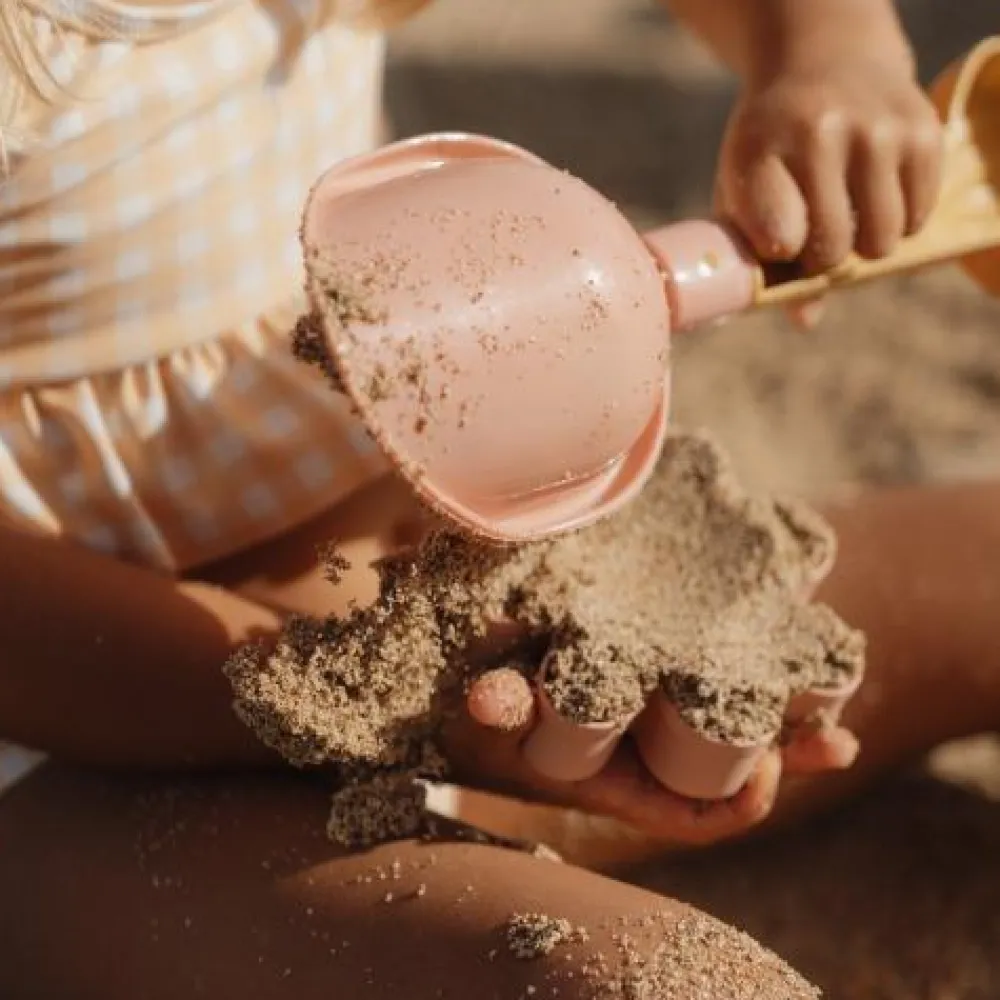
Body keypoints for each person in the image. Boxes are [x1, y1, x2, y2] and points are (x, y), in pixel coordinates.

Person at [0, 0, 964, 995]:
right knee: (665, 981)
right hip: (70, 741)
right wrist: (395, 708)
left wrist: (819, 53)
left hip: (443, 612)